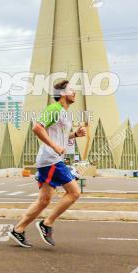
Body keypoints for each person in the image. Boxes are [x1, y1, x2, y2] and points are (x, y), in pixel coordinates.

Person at [9, 80, 86, 248]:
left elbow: (60, 136)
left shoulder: (64, 113)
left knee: (44, 200)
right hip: (51, 159)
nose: (75, 93)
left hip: (49, 160)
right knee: (74, 192)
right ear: (63, 94)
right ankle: (47, 223)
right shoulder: (54, 109)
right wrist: (54, 146)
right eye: (72, 90)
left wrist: (75, 135)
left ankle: (19, 229)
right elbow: (37, 128)